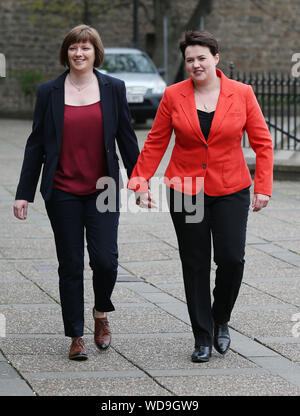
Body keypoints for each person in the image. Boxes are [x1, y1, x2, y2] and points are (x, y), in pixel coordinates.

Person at [128, 30, 273, 362]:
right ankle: (202, 336)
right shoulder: (173, 95)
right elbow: (155, 141)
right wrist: (140, 182)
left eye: (201, 58)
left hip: (231, 188)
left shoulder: (242, 93)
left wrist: (263, 186)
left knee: (232, 259)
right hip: (185, 190)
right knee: (194, 264)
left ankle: (221, 316)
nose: (195, 64)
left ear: (216, 58)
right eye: (189, 59)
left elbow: (263, 143)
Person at [13, 25, 140, 360]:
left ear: (96, 52)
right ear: (65, 53)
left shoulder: (113, 88)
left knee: (105, 260)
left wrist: (140, 182)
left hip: (104, 189)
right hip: (63, 190)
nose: (79, 54)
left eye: (85, 48)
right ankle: (76, 335)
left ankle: (101, 313)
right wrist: (23, 193)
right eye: (73, 48)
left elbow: (126, 138)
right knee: (70, 264)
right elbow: (36, 144)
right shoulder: (49, 91)